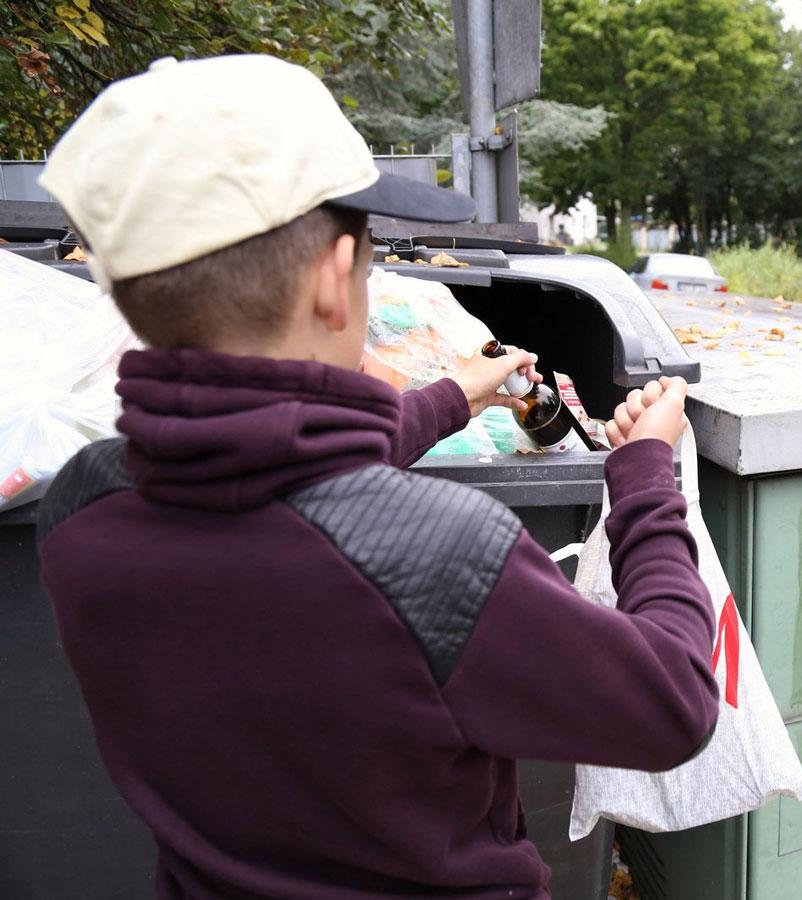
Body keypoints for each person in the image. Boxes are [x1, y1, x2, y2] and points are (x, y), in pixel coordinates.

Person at [35, 54, 718, 899]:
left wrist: (451, 399)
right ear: (332, 280)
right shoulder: (440, 560)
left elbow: (273, 483)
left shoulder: (83, 510)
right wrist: (646, 478)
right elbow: (673, 704)